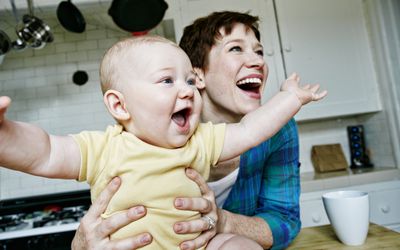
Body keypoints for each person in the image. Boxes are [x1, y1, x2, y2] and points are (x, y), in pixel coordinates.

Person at [0, 33, 325, 248]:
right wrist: (4, 136)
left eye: (187, 80)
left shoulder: (198, 141)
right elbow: (44, 152)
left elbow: (251, 130)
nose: (186, 89)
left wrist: (290, 99)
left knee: (236, 245)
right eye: (166, 81)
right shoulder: (103, 148)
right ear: (119, 105)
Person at [69, 11, 313, 250]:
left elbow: (285, 221)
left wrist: (223, 221)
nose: (259, 61)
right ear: (198, 75)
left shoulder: (278, 131)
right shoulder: (137, 137)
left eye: (259, 51)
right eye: (236, 49)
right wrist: (81, 244)